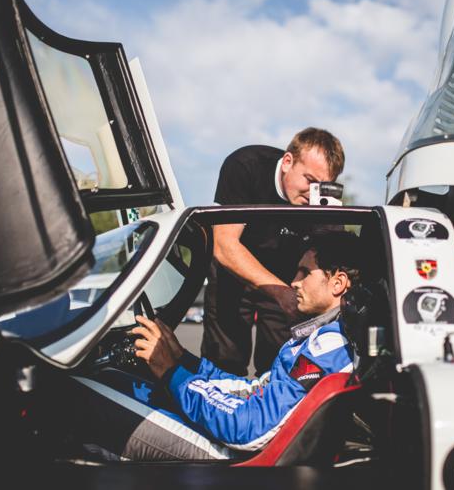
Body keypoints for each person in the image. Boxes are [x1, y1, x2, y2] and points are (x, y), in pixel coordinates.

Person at [67, 231, 361, 461]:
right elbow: (253, 391)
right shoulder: (321, 337)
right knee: (110, 380)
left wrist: (172, 374)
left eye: (305, 272)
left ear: (338, 283)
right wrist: (183, 361)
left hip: (234, 455)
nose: (294, 282)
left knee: (79, 391)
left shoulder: (329, 347)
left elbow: (250, 428)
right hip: (232, 438)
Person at [204, 128, 346, 376]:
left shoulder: (321, 199)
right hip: (232, 272)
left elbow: (329, 256)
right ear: (287, 162)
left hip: (286, 276)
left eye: (322, 187)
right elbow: (224, 246)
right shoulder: (246, 166)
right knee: (223, 362)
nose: (313, 193)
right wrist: (281, 292)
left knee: (278, 366)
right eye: (309, 181)